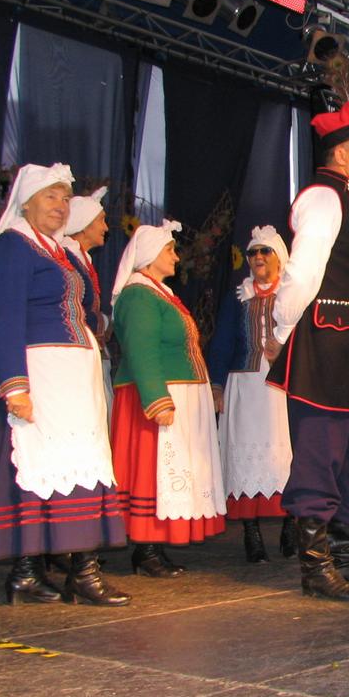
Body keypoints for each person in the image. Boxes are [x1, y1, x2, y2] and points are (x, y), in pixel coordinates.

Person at [266, 101, 349, 601]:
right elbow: (302, 273)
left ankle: (343, 550)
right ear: (341, 153)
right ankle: (315, 565)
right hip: (327, 348)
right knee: (321, 454)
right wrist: (282, 329)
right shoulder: (323, 198)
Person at [0, 163, 129, 607]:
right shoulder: (13, 246)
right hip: (43, 373)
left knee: (81, 462)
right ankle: (69, 572)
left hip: (73, 378)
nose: (61, 206)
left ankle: (38, 573)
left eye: (66, 198)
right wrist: (15, 386)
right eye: (51, 197)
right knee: (44, 465)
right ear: (25, 202)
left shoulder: (59, 252)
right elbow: (4, 317)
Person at [110, 220, 226, 577]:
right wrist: (157, 398)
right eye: (170, 250)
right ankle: (146, 550)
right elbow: (140, 348)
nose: (176, 257)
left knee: (168, 472)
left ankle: (153, 548)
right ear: (149, 255)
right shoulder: (138, 295)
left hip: (178, 393)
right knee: (154, 472)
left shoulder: (159, 293)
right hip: (156, 396)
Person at [207, 225, 294, 563]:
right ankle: (251, 533)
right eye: (253, 252)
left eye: (264, 251)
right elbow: (222, 342)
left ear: (279, 258)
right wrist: (216, 384)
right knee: (243, 453)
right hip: (244, 388)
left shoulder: (291, 296)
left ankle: (291, 525)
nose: (258, 257)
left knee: (287, 453)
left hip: (282, 387)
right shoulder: (239, 297)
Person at [62, 186, 113, 420]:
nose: (106, 228)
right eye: (101, 220)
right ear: (83, 224)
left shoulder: (82, 260)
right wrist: (103, 323)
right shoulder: (67, 258)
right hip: (74, 356)